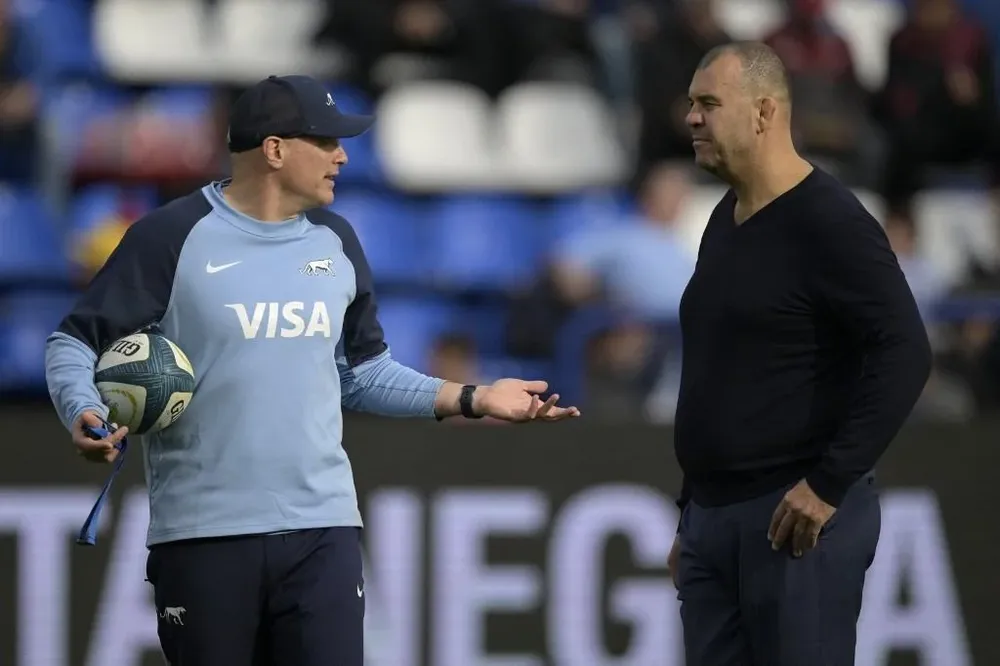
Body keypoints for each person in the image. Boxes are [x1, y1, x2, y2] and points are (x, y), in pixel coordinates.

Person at [43, 74, 580, 666]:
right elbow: (73, 341)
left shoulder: (336, 241)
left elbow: (364, 373)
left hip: (323, 531)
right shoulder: (170, 236)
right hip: (203, 536)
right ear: (275, 150)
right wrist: (83, 408)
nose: (344, 156)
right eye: (326, 142)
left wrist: (475, 397)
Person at [668, 42, 932, 665]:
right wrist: (691, 513)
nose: (691, 119)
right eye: (690, 104)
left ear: (763, 114)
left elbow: (906, 351)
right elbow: (721, 372)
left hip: (792, 520)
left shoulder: (830, 221)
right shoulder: (723, 220)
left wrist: (828, 483)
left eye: (709, 103)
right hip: (713, 520)